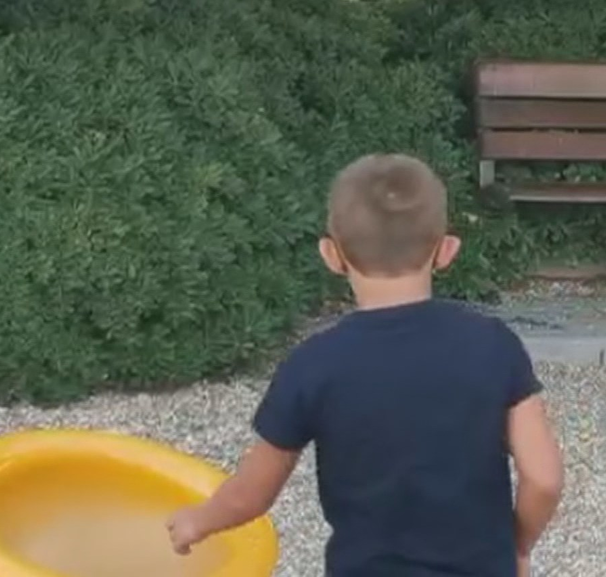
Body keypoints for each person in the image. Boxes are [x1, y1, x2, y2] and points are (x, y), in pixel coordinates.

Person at [166, 154, 565, 577]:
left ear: (331, 255)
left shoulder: (313, 365)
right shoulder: (493, 345)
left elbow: (250, 495)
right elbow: (544, 479)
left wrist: (198, 520)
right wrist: (517, 548)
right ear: (446, 251)